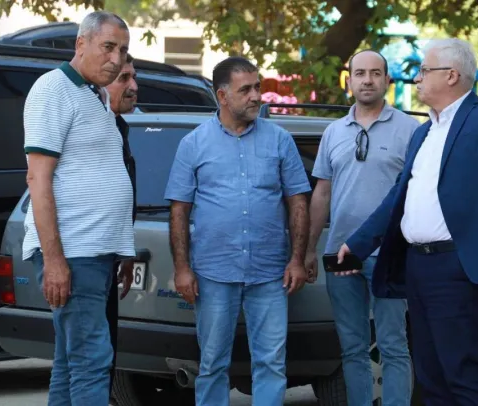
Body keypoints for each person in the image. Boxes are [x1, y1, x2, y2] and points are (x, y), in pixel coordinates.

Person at [337, 38, 478, 406]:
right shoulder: (423, 132)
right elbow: (398, 199)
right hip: (419, 266)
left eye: (424, 71)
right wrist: (359, 242)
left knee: (461, 371)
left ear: (451, 76)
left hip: (456, 266)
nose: (417, 79)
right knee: (430, 377)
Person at [164, 56, 312, 406]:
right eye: (245, 89)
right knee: (212, 363)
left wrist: (296, 260)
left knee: (271, 363)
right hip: (214, 272)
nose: (256, 96)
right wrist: (182, 268)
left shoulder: (280, 140)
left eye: (257, 87)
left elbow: (298, 203)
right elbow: (179, 210)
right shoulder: (194, 144)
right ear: (222, 96)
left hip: (270, 273)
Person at [22, 11, 136, 406]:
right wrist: (54, 260)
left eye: (123, 51)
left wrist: (121, 248)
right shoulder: (53, 89)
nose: (116, 59)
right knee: (93, 359)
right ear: (81, 44)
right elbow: (38, 179)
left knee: (72, 362)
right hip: (74, 251)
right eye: (108, 47)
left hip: (96, 253)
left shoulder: (98, 96)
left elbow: (99, 175)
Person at [305, 50, 418, 406]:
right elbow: (321, 194)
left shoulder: (410, 130)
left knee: (393, 345)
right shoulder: (333, 132)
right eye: (360, 73)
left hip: (390, 254)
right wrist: (309, 250)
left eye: (375, 73)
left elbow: (417, 193)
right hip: (340, 254)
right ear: (349, 80)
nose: (367, 80)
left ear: (387, 80)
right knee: (352, 348)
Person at [103, 52, 139, 400]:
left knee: (104, 357)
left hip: (108, 261)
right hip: (86, 259)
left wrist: (125, 253)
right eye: (124, 78)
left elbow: (119, 200)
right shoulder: (93, 128)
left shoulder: (119, 127)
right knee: (90, 360)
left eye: (133, 77)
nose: (134, 86)